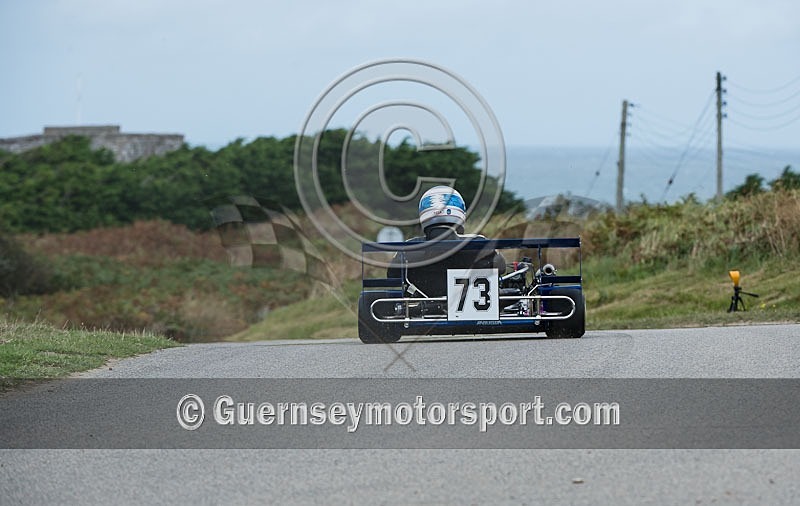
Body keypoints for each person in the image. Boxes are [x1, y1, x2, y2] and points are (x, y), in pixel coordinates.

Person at [387, 186, 505, 297]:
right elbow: (501, 268)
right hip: (474, 311)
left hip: (423, 309)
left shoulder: (409, 249)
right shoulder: (479, 244)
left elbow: (393, 276)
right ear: (460, 211)